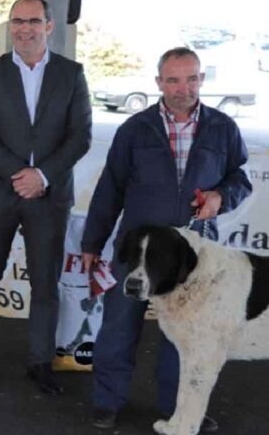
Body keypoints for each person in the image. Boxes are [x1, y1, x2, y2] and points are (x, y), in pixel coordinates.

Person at [81, 46, 251, 432]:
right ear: (159, 82)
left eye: (191, 78)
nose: (182, 88)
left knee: (190, 338)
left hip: (192, 259)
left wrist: (220, 197)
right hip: (136, 251)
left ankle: (181, 410)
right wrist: (93, 243)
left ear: (201, 80)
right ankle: (107, 402)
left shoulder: (223, 128)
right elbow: (110, 189)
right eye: (173, 79)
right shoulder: (135, 129)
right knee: (119, 329)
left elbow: (239, 177)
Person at [0, 0, 92, 394]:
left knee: (45, 284)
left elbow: (79, 136)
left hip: (48, 197)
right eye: (17, 21)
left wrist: (43, 175)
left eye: (33, 21)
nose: (24, 29)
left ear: (50, 26)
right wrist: (19, 173)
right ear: (9, 26)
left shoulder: (71, 74)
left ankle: (40, 362)